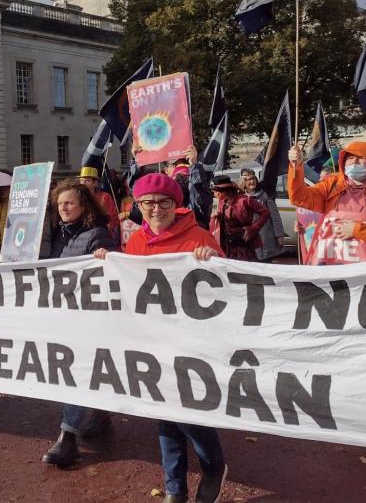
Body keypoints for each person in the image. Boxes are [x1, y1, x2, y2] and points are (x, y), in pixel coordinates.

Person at [94, 173, 226, 503]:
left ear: (175, 204)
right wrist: (105, 262)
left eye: (163, 202)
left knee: (191, 416)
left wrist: (214, 261)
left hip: (191, 342)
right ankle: (174, 489)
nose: (156, 209)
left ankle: (214, 467)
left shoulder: (198, 236)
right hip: (153, 340)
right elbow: (129, 283)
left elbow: (229, 286)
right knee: (165, 418)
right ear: (138, 205)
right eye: (148, 202)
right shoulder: (136, 241)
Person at [40, 180, 116, 468]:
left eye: (69, 203)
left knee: (79, 371)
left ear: (84, 205)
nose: (63, 208)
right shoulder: (58, 236)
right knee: (85, 371)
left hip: (91, 319)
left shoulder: (98, 235)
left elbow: (112, 276)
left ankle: (67, 438)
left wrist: (107, 259)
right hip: (66, 317)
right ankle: (100, 412)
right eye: (60, 204)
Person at [288, 141, 366, 264]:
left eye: (361, 158)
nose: (354, 162)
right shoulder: (331, 185)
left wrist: (357, 230)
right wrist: (296, 167)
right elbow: (299, 198)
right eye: (350, 158)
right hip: (329, 273)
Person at [210, 175, 270, 261]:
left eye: (215, 192)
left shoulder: (245, 200)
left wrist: (254, 228)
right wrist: (218, 216)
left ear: (222, 192)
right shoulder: (222, 201)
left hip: (243, 245)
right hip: (227, 245)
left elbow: (265, 212)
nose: (214, 195)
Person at [238, 169, 285, 261]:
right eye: (248, 179)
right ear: (243, 182)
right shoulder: (240, 199)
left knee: (266, 264)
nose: (252, 181)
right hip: (248, 239)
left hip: (265, 238)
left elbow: (275, 217)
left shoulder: (264, 196)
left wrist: (279, 235)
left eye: (253, 178)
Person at [79, 166, 120, 242]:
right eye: (81, 180)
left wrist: (104, 229)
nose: (83, 183)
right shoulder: (77, 198)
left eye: (87, 180)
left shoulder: (105, 197)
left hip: (102, 237)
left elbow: (114, 219)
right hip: (82, 237)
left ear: (95, 183)